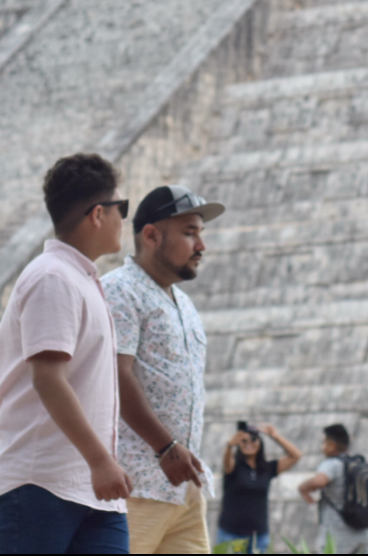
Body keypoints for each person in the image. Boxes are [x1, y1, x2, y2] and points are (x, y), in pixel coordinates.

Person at [0, 153, 132, 554]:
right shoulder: (53, 277)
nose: (125, 219)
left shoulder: (79, 278)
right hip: (41, 481)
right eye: (124, 208)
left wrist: (100, 466)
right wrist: (101, 461)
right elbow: (47, 378)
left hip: (92, 488)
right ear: (98, 214)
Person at [102, 184, 225, 554]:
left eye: (200, 234)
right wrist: (166, 447)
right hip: (136, 485)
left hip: (183, 488)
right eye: (189, 233)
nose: (200, 246)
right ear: (152, 235)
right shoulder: (120, 290)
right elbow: (116, 376)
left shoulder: (183, 303)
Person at [298, 424, 368, 554]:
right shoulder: (360, 463)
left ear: (331, 445)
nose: (322, 447)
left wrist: (302, 488)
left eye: (324, 443)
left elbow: (320, 481)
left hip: (340, 531)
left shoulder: (331, 463)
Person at [217, 423, 303, 553]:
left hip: (259, 535)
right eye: (244, 440)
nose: (248, 443)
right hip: (232, 533)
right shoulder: (234, 466)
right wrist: (230, 446)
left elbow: (295, 455)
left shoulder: (266, 469)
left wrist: (275, 436)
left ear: (260, 442)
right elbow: (227, 463)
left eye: (253, 439)